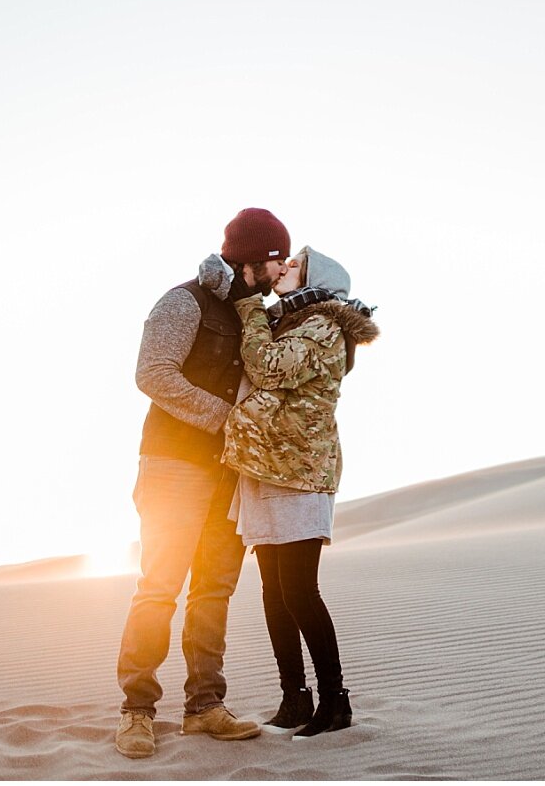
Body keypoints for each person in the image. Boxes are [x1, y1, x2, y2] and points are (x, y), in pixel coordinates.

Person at [114, 208, 292, 760]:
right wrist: (225, 417)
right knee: (160, 587)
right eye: (275, 260)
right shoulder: (184, 300)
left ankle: (204, 708)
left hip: (229, 474)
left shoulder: (255, 315)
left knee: (214, 590)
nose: (282, 270)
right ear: (251, 260)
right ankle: (137, 711)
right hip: (172, 466)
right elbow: (153, 373)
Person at [221, 245, 379, 737]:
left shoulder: (323, 326)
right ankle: (294, 698)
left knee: (300, 592)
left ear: (318, 280)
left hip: (300, 472)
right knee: (274, 592)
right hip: (268, 466)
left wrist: (248, 307)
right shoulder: (291, 321)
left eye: (295, 265)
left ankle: (335, 701)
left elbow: (268, 368)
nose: (284, 268)